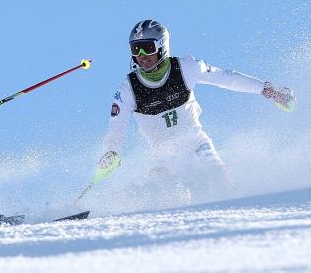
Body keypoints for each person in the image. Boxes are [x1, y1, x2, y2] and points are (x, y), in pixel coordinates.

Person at [92, 19, 295, 201]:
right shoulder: (129, 88)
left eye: (147, 48)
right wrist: (113, 151)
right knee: (168, 201)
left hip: (197, 146)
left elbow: (226, 78)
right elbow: (117, 125)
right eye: (136, 50)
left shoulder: (186, 67)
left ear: (162, 46)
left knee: (222, 184)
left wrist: (266, 90)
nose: (141, 56)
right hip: (163, 158)